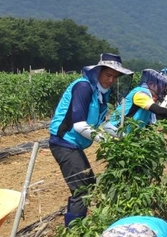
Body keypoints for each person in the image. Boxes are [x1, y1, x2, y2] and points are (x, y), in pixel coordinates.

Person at [48, 53, 133, 227]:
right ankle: (73, 231)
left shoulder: (102, 93)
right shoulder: (83, 87)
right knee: (81, 189)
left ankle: (80, 224)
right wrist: (107, 141)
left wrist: (124, 138)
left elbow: (104, 123)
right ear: (98, 72)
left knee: (90, 183)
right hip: (64, 143)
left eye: (115, 77)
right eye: (108, 75)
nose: (111, 80)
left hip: (75, 145)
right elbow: (80, 125)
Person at [108, 69, 167, 133]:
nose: (161, 90)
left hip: (127, 132)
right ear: (151, 84)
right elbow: (158, 110)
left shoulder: (146, 96)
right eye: (160, 86)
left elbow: (157, 115)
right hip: (117, 130)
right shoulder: (140, 94)